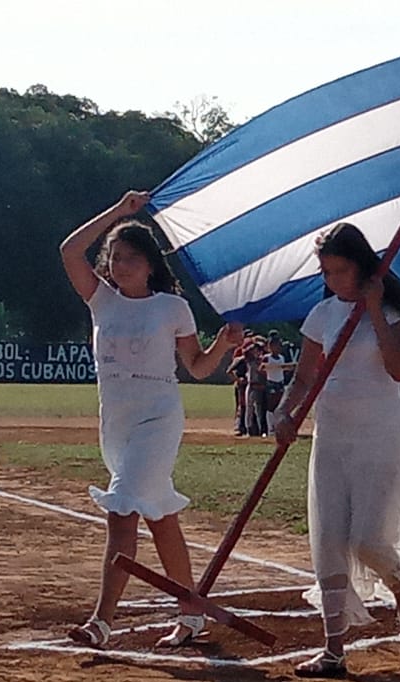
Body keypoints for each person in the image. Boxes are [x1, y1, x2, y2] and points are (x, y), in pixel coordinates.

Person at [60, 190, 243, 650]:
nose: (121, 266)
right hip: (116, 427)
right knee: (160, 517)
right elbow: (68, 251)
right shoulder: (100, 300)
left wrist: (223, 344)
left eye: (131, 259)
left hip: (158, 419)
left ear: (149, 265)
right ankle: (191, 612)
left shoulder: (171, 308)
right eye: (115, 258)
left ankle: (101, 622)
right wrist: (118, 211)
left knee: (121, 509)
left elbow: (198, 368)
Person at [272, 223, 400, 678]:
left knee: (367, 539)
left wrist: (376, 309)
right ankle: (333, 649)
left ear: (361, 267)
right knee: (330, 541)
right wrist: (285, 412)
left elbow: (399, 369)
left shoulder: (391, 314)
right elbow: (303, 378)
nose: (333, 280)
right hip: (332, 435)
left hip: (377, 434)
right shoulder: (321, 315)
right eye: (327, 272)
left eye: (341, 270)